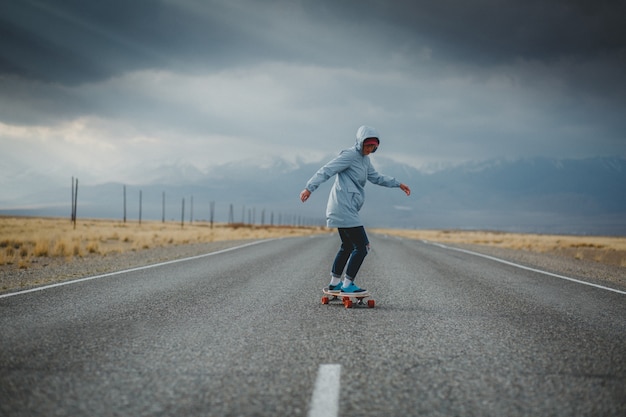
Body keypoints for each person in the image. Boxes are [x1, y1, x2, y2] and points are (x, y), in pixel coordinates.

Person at [300, 125, 411, 294]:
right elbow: (327, 170)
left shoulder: (365, 160)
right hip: (343, 207)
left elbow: (376, 177)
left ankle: (335, 283)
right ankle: (347, 284)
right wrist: (309, 188)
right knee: (362, 246)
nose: (370, 149)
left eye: (373, 146)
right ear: (360, 142)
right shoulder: (350, 155)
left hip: (345, 207)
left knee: (347, 246)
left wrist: (398, 184)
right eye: (367, 145)